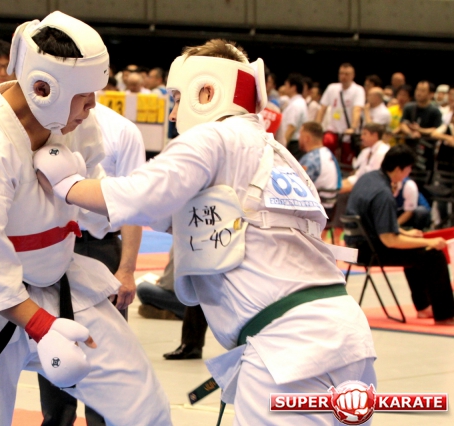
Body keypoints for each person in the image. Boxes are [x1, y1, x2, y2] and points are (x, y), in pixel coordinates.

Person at [37, 39, 376, 425]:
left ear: (207, 92)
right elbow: (179, 214)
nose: (173, 113)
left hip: (290, 348)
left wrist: (66, 184)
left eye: (178, 98)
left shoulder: (214, 138)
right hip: (345, 335)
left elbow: (140, 196)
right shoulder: (278, 154)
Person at [0, 12, 171, 425]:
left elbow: (97, 197)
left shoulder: (74, 125)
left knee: (143, 406)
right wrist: (39, 325)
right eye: (85, 96)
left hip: (60, 282)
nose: (92, 106)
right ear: (42, 89)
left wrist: (82, 189)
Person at [37, 101, 146, 426]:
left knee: (105, 353)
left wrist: (127, 269)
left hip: (100, 247)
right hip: (53, 246)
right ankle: (56, 419)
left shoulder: (121, 131)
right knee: (53, 343)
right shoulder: (43, 122)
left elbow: (133, 204)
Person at [345, 145, 454, 324]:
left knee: (416, 249)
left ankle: (424, 307)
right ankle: (445, 315)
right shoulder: (383, 194)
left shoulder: (368, 178)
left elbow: (372, 220)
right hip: (370, 251)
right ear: (398, 169)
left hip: (355, 245)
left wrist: (405, 232)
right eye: (408, 169)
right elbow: (390, 240)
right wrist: (430, 242)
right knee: (432, 254)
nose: (409, 173)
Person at [316, 63, 366, 165]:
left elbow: (357, 110)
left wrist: (353, 128)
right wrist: (317, 125)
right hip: (333, 130)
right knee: (326, 150)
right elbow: (322, 108)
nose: (343, 76)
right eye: (341, 73)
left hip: (348, 133)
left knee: (346, 162)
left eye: (347, 74)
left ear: (353, 75)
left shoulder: (358, 90)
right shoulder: (332, 88)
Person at [298, 122, 342, 211]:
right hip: (330, 204)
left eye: (300, 135)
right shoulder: (328, 153)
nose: (299, 138)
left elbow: (297, 185)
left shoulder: (311, 159)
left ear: (307, 138)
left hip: (316, 207)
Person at [340, 123, 390, 194]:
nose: (361, 137)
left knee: (335, 189)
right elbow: (358, 171)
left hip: (371, 186)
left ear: (374, 135)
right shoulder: (366, 151)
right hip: (359, 179)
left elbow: (374, 178)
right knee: (335, 185)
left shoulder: (383, 152)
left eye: (365, 134)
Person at [281, 73, 307, 159]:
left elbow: (291, 128)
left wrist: (281, 148)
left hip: (293, 145)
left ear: (293, 87)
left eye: (286, 85)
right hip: (294, 144)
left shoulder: (296, 104)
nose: (284, 88)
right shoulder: (298, 102)